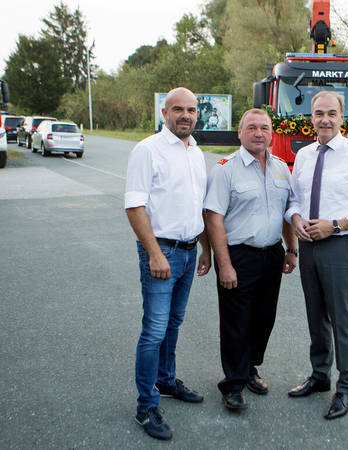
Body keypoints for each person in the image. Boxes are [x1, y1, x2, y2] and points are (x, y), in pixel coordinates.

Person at [285, 91, 348, 420]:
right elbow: (295, 200)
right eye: (319, 113)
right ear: (311, 118)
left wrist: (336, 226)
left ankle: (346, 388)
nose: (324, 119)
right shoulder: (304, 156)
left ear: (342, 118)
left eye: (331, 113)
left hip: (339, 246)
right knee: (315, 315)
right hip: (308, 245)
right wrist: (295, 218)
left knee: (341, 318)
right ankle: (319, 376)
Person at [125, 87, 212, 441]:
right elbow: (134, 206)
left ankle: (165, 379)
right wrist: (154, 253)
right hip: (161, 252)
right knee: (154, 330)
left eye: (191, 109)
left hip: (189, 251)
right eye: (178, 109)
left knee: (174, 322)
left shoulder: (196, 152)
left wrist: (205, 248)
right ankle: (146, 405)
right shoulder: (148, 150)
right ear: (164, 113)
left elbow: (197, 206)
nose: (185, 115)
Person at [204, 108, 298, 411]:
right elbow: (213, 218)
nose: (259, 133)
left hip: (272, 255)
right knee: (236, 322)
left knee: (264, 318)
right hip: (238, 256)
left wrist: (291, 248)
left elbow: (286, 212)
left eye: (264, 128)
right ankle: (232, 383)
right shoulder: (225, 169)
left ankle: (249, 369)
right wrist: (224, 264)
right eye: (252, 127)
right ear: (240, 132)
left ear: (272, 133)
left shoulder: (282, 168)